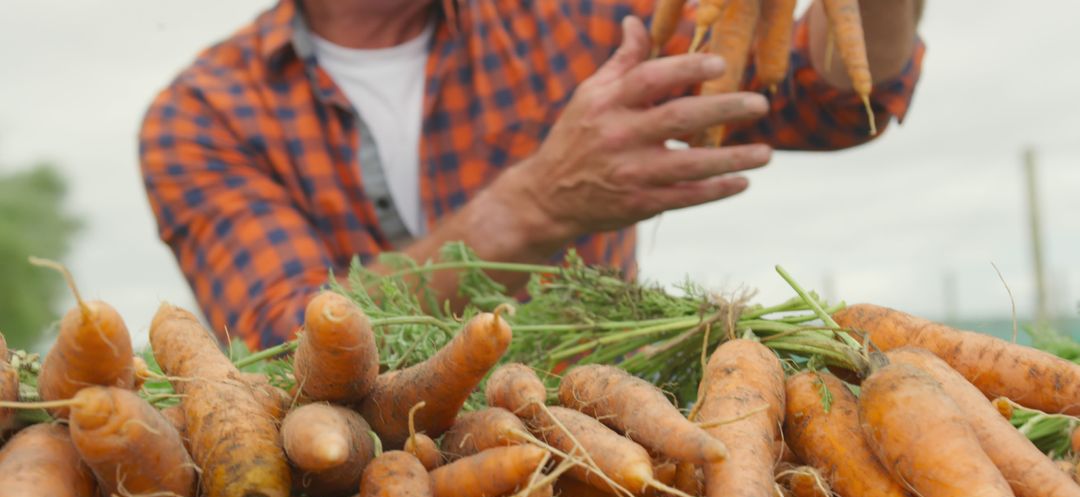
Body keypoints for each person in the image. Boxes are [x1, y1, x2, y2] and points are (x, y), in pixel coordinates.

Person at [139, 0, 925, 349]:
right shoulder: (205, 113)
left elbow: (833, 100)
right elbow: (285, 338)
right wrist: (538, 201)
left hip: (604, 455)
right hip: (350, 485)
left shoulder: (580, 13)